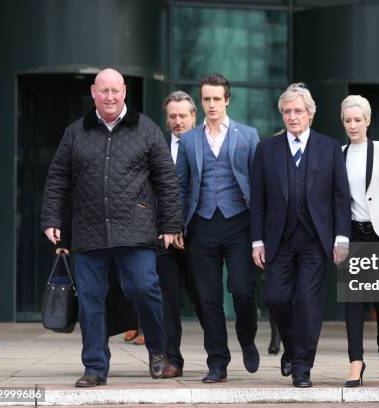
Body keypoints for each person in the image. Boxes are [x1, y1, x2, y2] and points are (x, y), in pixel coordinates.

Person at [40, 68, 182, 387]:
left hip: (136, 230)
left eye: (115, 91)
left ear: (124, 93)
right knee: (91, 301)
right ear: (93, 92)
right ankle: (94, 367)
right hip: (89, 233)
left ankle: (158, 351)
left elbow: (166, 180)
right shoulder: (75, 132)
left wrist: (171, 223)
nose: (109, 97)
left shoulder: (146, 129)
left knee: (145, 289)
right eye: (103, 91)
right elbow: (58, 178)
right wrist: (50, 218)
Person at [250, 83, 351, 388]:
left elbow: (340, 197)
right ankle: (292, 350)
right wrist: (257, 240)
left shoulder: (329, 147)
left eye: (298, 111)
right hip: (278, 239)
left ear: (310, 114)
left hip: (314, 240)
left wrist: (341, 238)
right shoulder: (267, 149)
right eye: (287, 112)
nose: (292, 117)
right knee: (276, 298)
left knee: (308, 303)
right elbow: (258, 199)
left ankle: (301, 368)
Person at [177, 73, 260, 383]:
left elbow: (259, 186)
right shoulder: (188, 139)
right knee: (208, 298)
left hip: (239, 223)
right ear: (202, 101)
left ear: (227, 100)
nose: (211, 104)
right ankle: (217, 362)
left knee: (242, 290)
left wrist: (260, 232)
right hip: (201, 225)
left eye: (216, 98)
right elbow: (181, 185)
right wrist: (176, 225)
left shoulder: (248, 135)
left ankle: (247, 338)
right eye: (206, 99)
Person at [340, 95, 379, 387]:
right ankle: (355, 362)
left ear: (368, 120)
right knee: (353, 301)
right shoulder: (339, 153)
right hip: (352, 233)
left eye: (357, 120)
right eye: (348, 120)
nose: (353, 125)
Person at [157, 90, 202, 378]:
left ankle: (217, 359)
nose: (177, 121)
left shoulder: (205, 145)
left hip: (198, 236)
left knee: (205, 300)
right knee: (167, 302)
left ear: (193, 116)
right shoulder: (157, 146)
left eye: (182, 116)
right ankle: (172, 359)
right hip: (163, 239)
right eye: (172, 116)